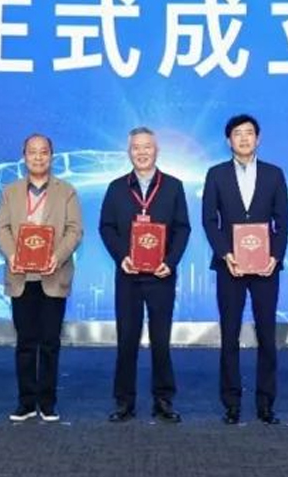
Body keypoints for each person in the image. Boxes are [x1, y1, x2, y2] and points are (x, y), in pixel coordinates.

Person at [201, 114, 288, 425]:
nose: (243, 138)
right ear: (228, 140)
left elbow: (282, 220)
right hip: (231, 266)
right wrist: (225, 253)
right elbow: (209, 220)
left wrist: (275, 256)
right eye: (237, 133)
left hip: (266, 267)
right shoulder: (216, 174)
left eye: (249, 133)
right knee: (230, 334)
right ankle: (232, 403)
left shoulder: (274, 174)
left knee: (267, 334)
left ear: (258, 138)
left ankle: (266, 403)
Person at [99, 126, 191, 423]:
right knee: (127, 340)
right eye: (136, 147)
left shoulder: (173, 186)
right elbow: (106, 227)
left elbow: (182, 228)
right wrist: (121, 257)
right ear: (129, 152)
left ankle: (163, 400)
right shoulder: (116, 187)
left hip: (161, 275)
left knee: (161, 341)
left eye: (147, 147)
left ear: (157, 150)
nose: (142, 152)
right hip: (128, 274)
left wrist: (171, 262)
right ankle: (124, 402)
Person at [0, 134, 84, 422]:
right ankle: (26, 402)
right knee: (25, 342)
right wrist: (12, 255)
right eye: (32, 152)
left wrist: (57, 255)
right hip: (21, 276)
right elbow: (1, 228)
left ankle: (47, 402)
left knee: (49, 341)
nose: (38, 157)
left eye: (43, 152)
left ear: (51, 156)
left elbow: (75, 230)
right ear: (24, 156)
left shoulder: (66, 191)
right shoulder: (10, 191)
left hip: (53, 275)